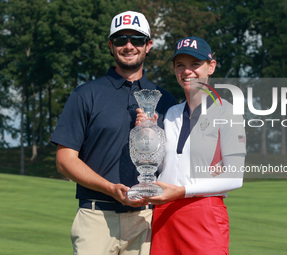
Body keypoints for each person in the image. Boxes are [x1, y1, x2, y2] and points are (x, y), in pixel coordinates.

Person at [50, 11, 176, 255]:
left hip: (147, 219)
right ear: (111, 45)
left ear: (148, 45)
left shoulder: (166, 100)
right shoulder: (86, 94)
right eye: (120, 40)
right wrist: (111, 189)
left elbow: (176, 161)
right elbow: (64, 161)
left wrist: (154, 132)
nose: (129, 46)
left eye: (137, 39)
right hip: (96, 218)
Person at [137, 36, 246, 254]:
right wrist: (149, 134)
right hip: (164, 215)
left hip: (203, 214)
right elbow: (164, 168)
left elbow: (235, 177)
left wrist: (183, 191)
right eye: (180, 65)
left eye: (195, 64)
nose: (187, 71)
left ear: (211, 66)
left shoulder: (228, 112)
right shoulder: (171, 114)